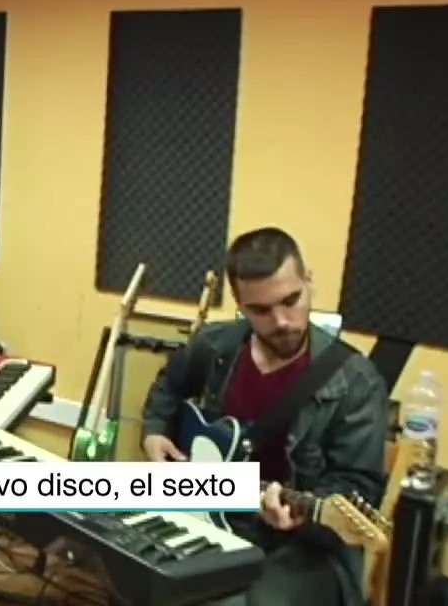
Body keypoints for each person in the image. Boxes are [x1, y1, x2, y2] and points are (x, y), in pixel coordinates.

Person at [141, 227, 388, 606]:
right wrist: (155, 432)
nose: (282, 321)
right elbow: (168, 387)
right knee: (136, 567)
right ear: (240, 305)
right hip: (209, 513)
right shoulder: (215, 345)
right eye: (261, 310)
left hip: (303, 548)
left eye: (291, 300)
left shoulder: (356, 381)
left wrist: (302, 511)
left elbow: (357, 488)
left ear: (309, 282)